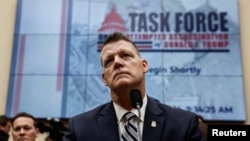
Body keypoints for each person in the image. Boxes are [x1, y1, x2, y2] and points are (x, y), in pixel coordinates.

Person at [62, 32, 206, 141]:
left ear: (144, 66)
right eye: (109, 61)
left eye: (125, 55)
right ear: (104, 78)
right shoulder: (80, 130)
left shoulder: (183, 125)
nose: (117, 63)